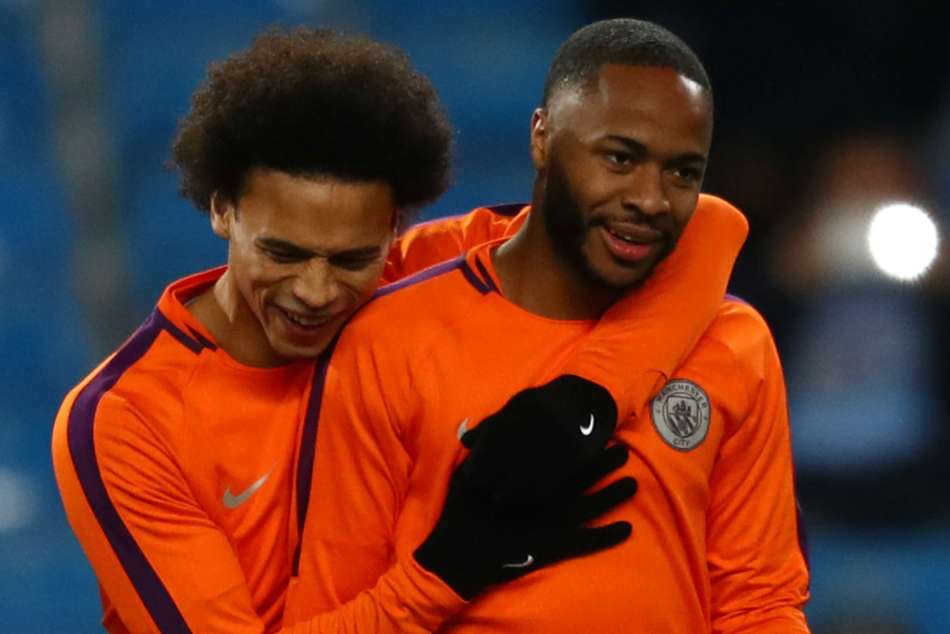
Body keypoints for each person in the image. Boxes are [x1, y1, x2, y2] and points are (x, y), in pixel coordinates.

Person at [50, 26, 748, 634]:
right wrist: (449, 568)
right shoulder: (124, 422)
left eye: (351, 259)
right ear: (222, 211)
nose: (316, 291)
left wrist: (589, 393)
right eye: (282, 252)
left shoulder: (418, 273)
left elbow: (707, 228)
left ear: (394, 232)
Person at [286, 18, 810, 633]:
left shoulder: (735, 342)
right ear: (542, 136)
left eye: (682, 173)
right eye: (620, 158)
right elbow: (329, 614)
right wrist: (449, 569)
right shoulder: (389, 338)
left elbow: (760, 605)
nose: (651, 198)